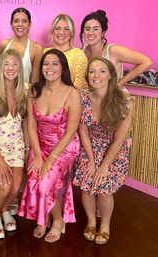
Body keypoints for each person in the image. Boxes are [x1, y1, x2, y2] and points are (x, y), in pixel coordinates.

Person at [19, 49, 81, 243]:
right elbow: (31, 124)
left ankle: (57, 221)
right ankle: (42, 218)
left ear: (62, 67)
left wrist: (51, 158)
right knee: (33, 179)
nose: (50, 67)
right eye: (46, 63)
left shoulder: (72, 93)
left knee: (45, 184)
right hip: (39, 144)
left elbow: (71, 131)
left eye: (55, 63)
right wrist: (37, 155)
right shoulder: (35, 91)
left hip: (64, 147)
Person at [73, 57, 134, 245]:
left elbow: (120, 137)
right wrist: (91, 161)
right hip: (89, 146)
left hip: (114, 150)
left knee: (105, 189)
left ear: (110, 75)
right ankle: (91, 221)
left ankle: (105, 224)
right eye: (92, 71)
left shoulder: (125, 100)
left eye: (101, 71)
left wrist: (104, 165)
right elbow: (82, 129)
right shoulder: (82, 97)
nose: (96, 75)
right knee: (87, 184)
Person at [0, 49, 28, 239]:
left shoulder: (25, 90)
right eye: (7, 64)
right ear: (0, 68)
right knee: (4, 186)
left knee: (16, 187)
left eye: (15, 64)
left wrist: (26, 148)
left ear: (20, 68)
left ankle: (5, 209)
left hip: (16, 146)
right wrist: (0, 161)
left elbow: (26, 121)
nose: (11, 68)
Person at [80, 10, 152, 88]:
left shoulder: (113, 50)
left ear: (103, 32)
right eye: (87, 29)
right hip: (93, 97)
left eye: (95, 29)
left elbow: (146, 62)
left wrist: (120, 83)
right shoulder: (82, 52)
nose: (91, 33)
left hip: (113, 98)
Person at [0, 7, 43, 84]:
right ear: (11, 24)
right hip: (4, 93)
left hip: (25, 94)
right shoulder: (4, 45)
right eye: (16, 21)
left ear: (29, 24)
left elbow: (34, 81)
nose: (20, 24)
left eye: (24, 21)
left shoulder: (36, 49)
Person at [44, 14, 88, 89]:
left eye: (66, 29)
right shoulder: (45, 52)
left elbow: (81, 87)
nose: (61, 32)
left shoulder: (78, 55)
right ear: (52, 32)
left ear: (71, 33)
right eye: (57, 28)